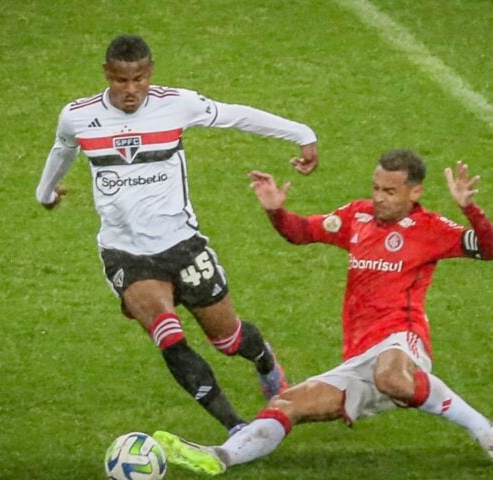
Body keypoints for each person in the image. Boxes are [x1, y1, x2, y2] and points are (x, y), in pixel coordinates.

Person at [153, 149, 493, 474]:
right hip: (359, 357)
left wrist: (470, 208)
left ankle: (484, 430)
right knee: (286, 402)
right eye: (376, 188)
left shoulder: (431, 228)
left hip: (402, 338)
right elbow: (301, 232)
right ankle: (220, 457)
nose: (378, 198)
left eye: (389, 192)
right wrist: (276, 211)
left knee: (391, 376)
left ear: (415, 192)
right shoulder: (357, 217)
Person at [35, 34, 319, 435]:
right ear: (106, 75)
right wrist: (45, 192)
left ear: (149, 73)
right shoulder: (78, 115)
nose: (130, 90)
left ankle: (265, 361)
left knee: (228, 339)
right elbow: (63, 148)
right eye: (120, 81)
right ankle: (238, 429)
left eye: (138, 80)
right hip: (126, 254)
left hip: (182, 245)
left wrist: (301, 133)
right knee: (169, 336)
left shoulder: (175, 105)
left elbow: (234, 114)